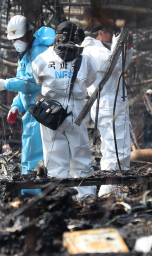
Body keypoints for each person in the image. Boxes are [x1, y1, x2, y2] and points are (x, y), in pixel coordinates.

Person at [31, 21, 97, 198]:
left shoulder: (41, 59)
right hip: (77, 109)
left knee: (54, 158)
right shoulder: (86, 60)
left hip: (51, 110)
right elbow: (91, 80)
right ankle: (86, 196)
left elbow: (37, 78)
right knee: (81, 156)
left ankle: (58, 197)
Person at [0, 15, 55, 194]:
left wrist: (7, 84)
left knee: (36, 152)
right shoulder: (25, 53)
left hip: (42, 110)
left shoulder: (39, 52)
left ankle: (35, 191)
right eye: (13, 40)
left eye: (19, 38)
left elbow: (31, 84)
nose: (16, 43)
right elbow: (24, 88)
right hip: (31, 111)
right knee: (28, 150)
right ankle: (27, 189)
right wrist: (16, 106)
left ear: (29, 34)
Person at [81, 25, 133, 196]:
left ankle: (115, 189)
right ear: (100, 33)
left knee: (118, 148)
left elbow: (121, 66)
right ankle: (109, 192)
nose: (113, 36)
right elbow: (114, 64)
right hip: (108, 104)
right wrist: (119, 44)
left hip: (111, 103)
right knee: (115, 149)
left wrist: (127, 48)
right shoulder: (92, 51)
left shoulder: (101, 49)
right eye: (111, 32)